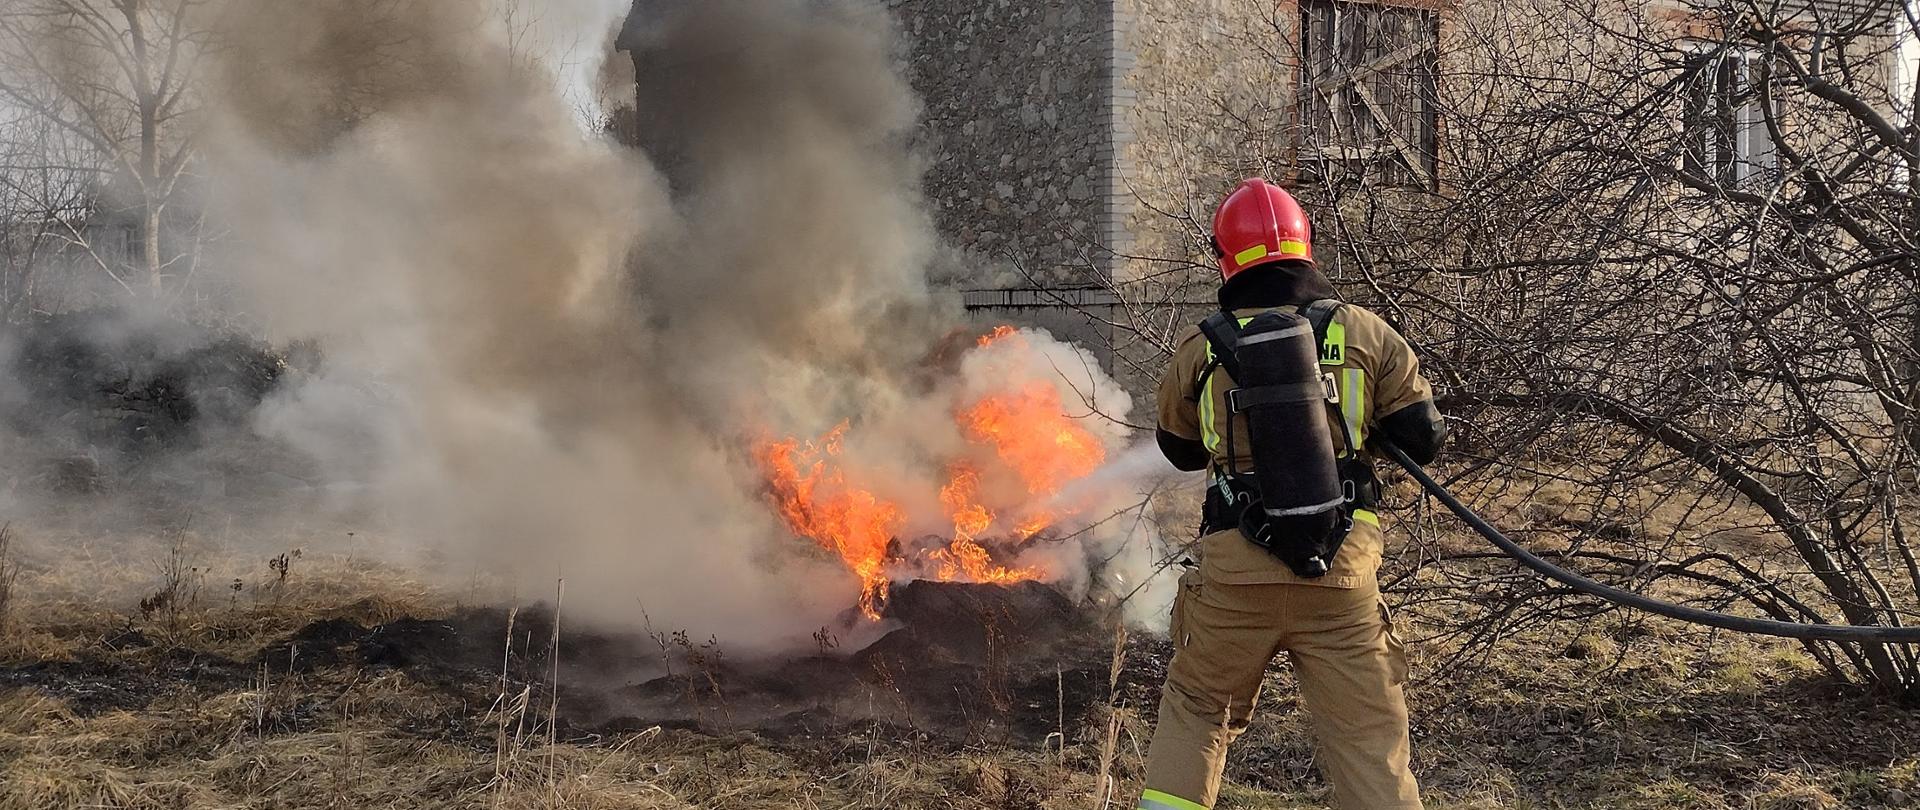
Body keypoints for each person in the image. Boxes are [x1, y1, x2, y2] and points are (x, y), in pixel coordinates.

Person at [1138, 178, 1446, 810]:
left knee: (1197, 713)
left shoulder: (1202, 345)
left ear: (1227, 257)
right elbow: (1425, 440)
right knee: (1369, 741)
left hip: (1234, 581)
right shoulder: (1363, 331)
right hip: (1341, 579)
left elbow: (1179, 450)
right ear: (1304, 245)